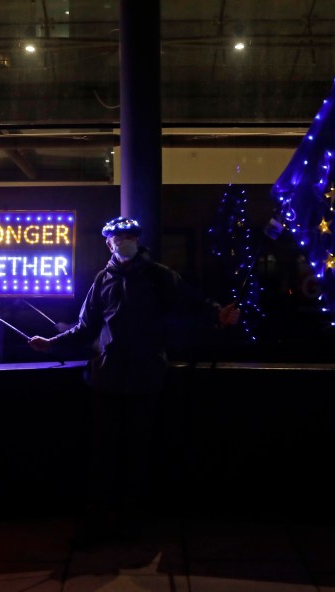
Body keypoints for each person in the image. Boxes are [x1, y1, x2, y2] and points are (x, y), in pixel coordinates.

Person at [28, 216, 240, 544]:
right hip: (107, 378)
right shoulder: (102, 280)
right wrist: (50, 344)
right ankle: (100, 518)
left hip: (145, 378)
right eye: (117, 237)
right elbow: (85, 327)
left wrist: (217, 313)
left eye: (129, 236)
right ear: (108, 243)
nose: (123, 241)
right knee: (104, 452)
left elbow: (191, 301)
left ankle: (130, 520)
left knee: (138, 452)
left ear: (137, 240)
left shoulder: (158, 276)